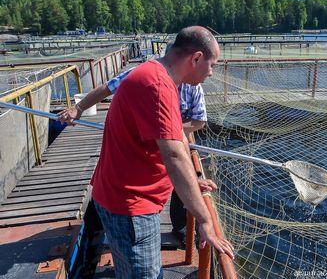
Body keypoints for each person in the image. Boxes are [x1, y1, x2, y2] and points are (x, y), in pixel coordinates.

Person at [60, 26, 234, 279]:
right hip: (131, 208)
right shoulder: (159, 86)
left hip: (122, 200)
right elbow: (173, 157)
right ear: (195, 58)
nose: (211, 72)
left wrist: (193, 182)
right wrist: (205, 221)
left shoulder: (154, 74)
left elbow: (174, 142)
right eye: (212, 64)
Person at [59, 69, 208, 245]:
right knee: (107, 199)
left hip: (169, 148)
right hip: (133, 152)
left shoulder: (193, 86)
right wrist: (79, 107)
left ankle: (180, 228)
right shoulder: (143, 74)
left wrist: (168, 131)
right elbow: (107, 88)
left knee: (180, 180)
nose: (210, 72)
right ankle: (92, 240)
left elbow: (199, 120)